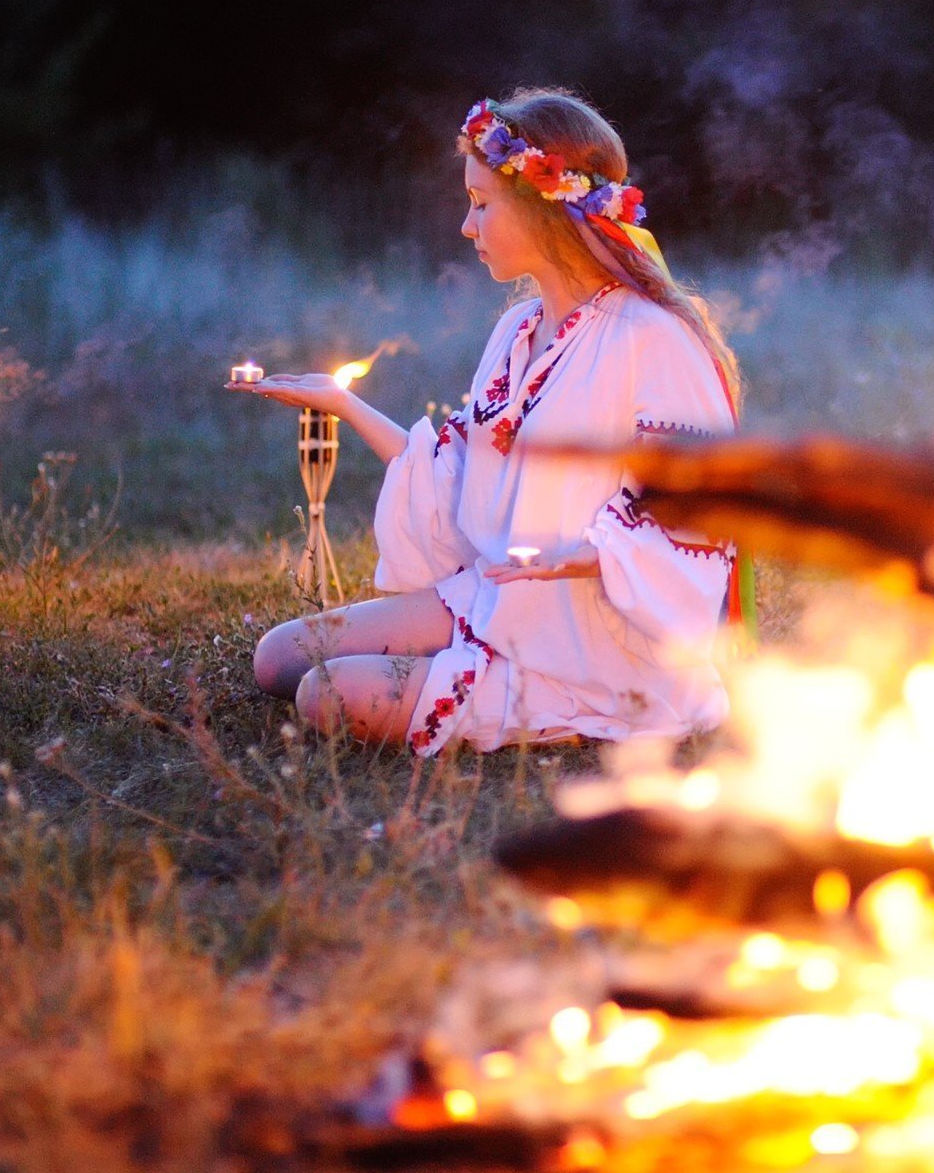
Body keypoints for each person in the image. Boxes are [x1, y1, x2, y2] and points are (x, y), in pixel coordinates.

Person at [238, 88, 741, 754]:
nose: (466, 228)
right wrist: (345, 406)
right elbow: (461, 473)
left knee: (323, 694)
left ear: (543, 207)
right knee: (278, 657)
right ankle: (473, 664)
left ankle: (564, 709)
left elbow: (696, 506)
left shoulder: (651, 337)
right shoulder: (516, 329)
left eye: (481, 205)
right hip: (497, 597)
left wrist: (576, 559)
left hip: (593, 638)